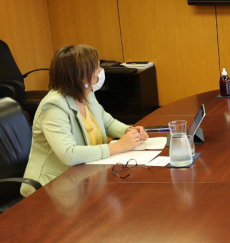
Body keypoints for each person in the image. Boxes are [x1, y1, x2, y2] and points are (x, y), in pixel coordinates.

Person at [21, 45, 148, 196]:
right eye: (97, 67)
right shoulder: (53, 107)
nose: (101, 71)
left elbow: (107, 122)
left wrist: (129, 131)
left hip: (85, 177)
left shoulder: (86, 94)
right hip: (53, 188)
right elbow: (69, 154)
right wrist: (119, 146)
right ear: (81, 76)